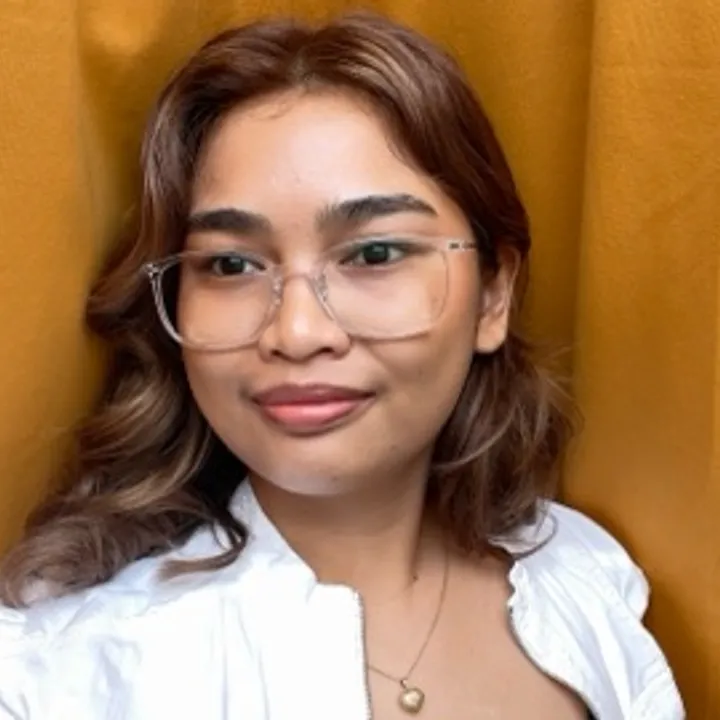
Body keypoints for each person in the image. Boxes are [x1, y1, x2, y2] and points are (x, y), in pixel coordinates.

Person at [0, 11, 683, 720]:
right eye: (230, 265)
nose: (297, 333)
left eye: (374, 254)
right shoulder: (59, 676)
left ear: (493, 295)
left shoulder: (585, 579)